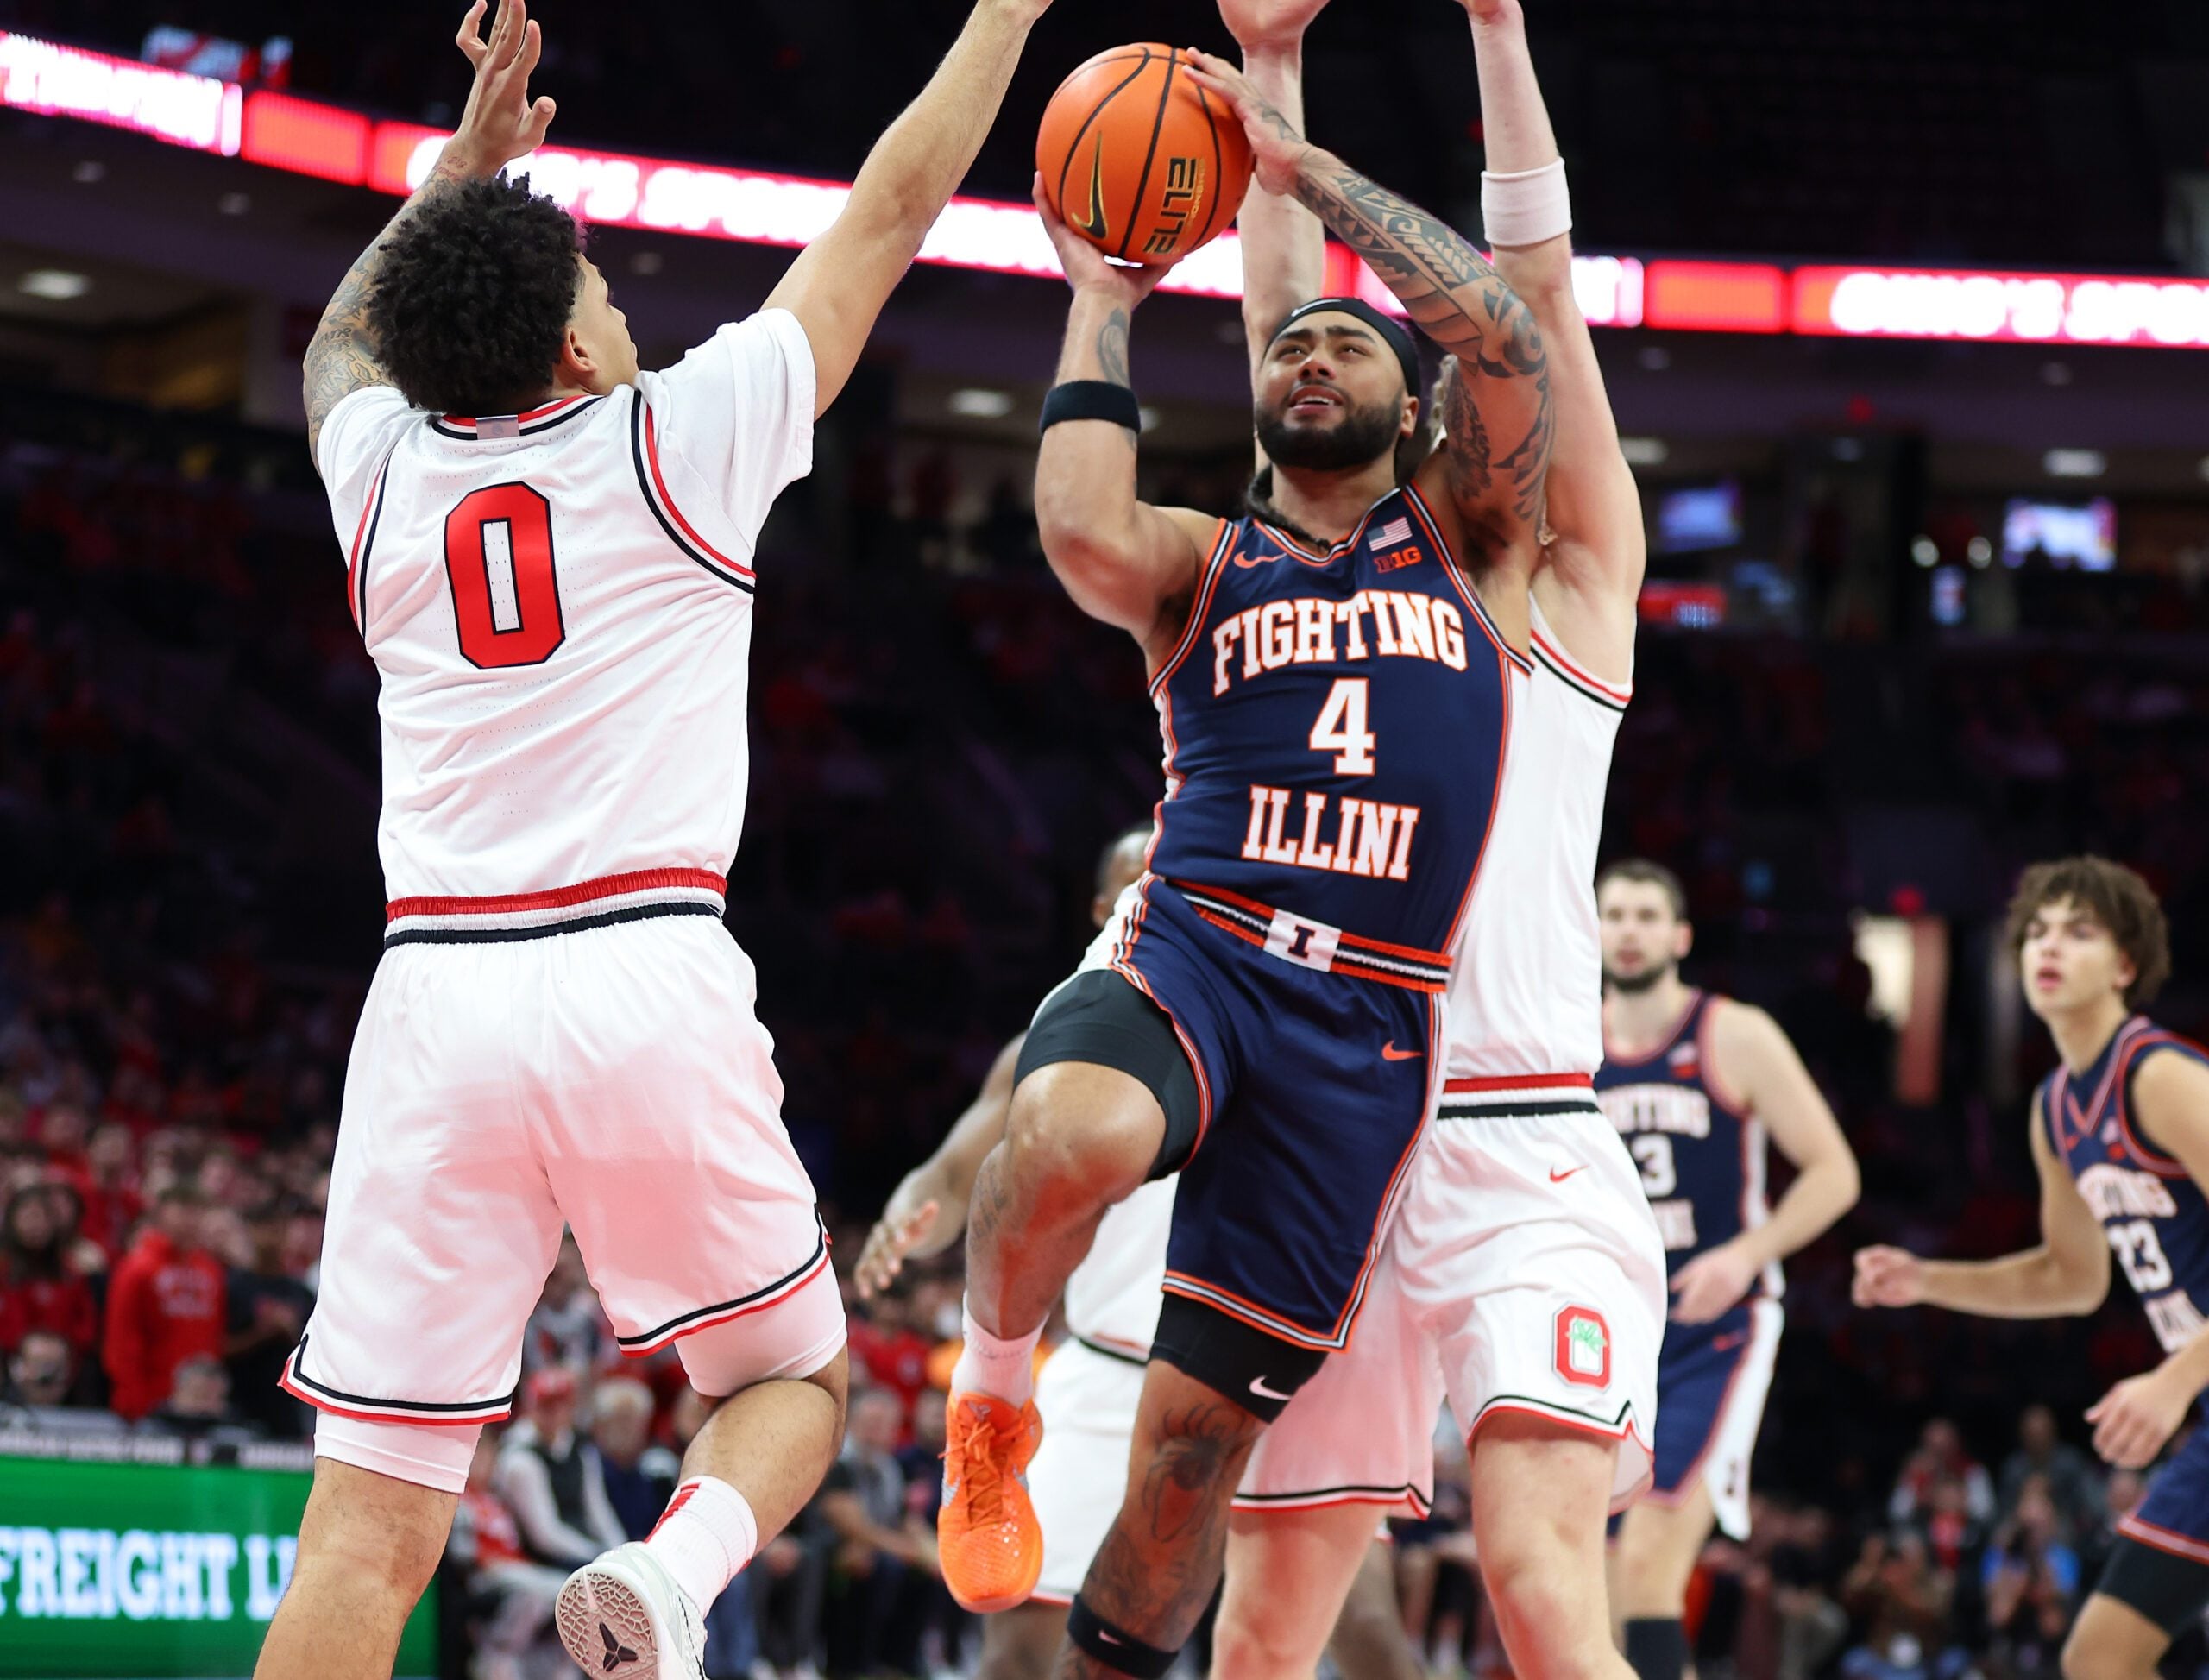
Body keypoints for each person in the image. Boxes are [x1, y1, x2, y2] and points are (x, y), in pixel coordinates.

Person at [254, 0, 1060, 1676]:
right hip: (638, 969)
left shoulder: (385, 482)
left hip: (435, 1001)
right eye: (605, 296)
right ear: (569, 350)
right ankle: (675, 1577)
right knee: (791, 1378)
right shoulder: (679, 440)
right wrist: (1005, 14)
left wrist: (455, 177)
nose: (627, 312)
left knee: (365, 1532)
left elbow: (335, 352)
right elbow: (890, 209)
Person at [938, 0, 1558, 1664]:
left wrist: (1305, 162)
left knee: (1190, 1464)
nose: (1310, 352)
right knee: (1061, 1134)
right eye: (1289, 345)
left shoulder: (1470, 542)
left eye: (1348, 345)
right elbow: (1073, 520)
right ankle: (990, 1395)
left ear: (1407, 411)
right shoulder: (1210, 563)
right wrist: (1100, 294)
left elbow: (1501, 334)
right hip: (1199, 942)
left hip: (1365, 1023)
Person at [1207, 5, 1662, 1677]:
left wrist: (1493, 22)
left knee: (1540, 1585)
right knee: (1261, 1632)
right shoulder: (1337, 585)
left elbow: (1530, 304)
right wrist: (1265, 68)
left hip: (1520, 1146)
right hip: (1331, 1146)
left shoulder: (1575, 595)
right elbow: (1284, 332)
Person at [1857, 856, 2209, 1680]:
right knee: (2101, 1657)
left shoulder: (2159, 1078)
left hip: (2194, 1382)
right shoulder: (2058, 1108)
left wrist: (2173, 1380)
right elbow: (2071, 1277)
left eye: (2079, 932)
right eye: (2038, 931)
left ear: (2125, 965)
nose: (2050, 945)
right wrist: (1927, 1278)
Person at [1597, 858, 1861, 1680]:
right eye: (1614, 914)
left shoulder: (1732, 1032)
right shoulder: (1561, 1036)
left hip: (1717, 1329)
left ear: (1679, 935)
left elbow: (1834, 1172)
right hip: (1606, 1334)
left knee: (1648, 1562)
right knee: (1595, 1593)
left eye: (1647, 914)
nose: (1629, 930)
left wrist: (1746, 1252)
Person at [103, 1183, 226, 1424]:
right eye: (182, 1210)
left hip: (200, 1404)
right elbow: (122, 1339)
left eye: (197, 1211)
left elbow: (214, 1339)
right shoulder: (137, 1268)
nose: (191, 1219)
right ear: (161, 1214)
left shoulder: (211, 1269)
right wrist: (132, 1402)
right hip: (149, 1404)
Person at [496, 1368, 626, 1570]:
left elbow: (599, 1510)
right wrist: (596, 1556)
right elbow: (544, 1534)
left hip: (585, 1549)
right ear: (531, 1409)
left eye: (561, 1405)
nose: (555, 1414)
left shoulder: (581, 1449)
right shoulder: (519, 1458)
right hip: (542, 1560)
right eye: (546, 1407)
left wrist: (620, 1551)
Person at [224, 1198, 315, 1439]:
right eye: (264, 1228)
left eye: (278, 1229)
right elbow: (218, 1349)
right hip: (240, 1409)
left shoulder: (300, 1292)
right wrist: (263, 1332)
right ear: (250, 1232)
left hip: (290, 1410)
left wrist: (291, 1330)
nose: (271, 1237)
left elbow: (316, 1355)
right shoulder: (233, 1286)